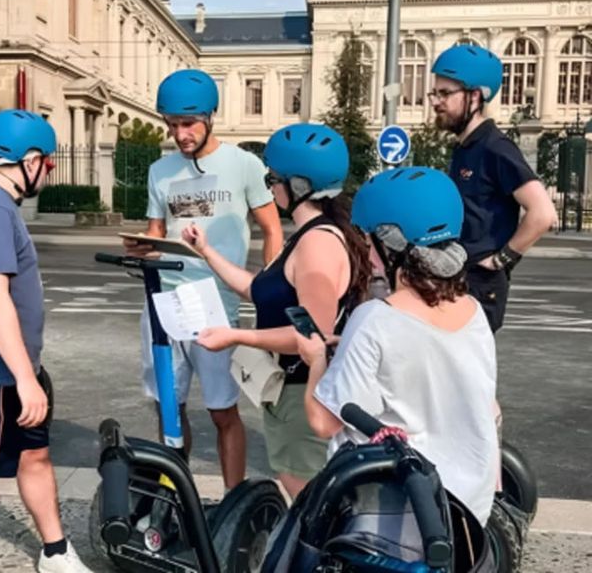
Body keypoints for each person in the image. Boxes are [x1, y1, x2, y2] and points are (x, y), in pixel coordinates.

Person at [300, 166, 498, 525]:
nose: (368, 253)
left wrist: (316, 360)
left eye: (368, 240)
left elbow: (324, 422)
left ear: (389, 244)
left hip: (397, 512)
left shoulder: (374, 318)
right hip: (467, 510)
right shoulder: (473, 312)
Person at [183, 123, 370, 498]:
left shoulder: (317, 242)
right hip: (292, 390)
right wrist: (207, 251)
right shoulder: (309, 234)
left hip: (304, 394)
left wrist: (236, 336)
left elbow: (310, 335)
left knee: (310, 498)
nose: (269, 187)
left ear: (298, 186)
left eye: (273, 178)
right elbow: (259, 289)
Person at [0, 109, 91, 573]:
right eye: (46, 165)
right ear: (28, 160)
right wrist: (25, 379)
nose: (47, 174)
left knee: (35, 455)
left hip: (15, 367)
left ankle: (55, 552)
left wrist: (29, 373)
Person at [123, 69, 283, 491]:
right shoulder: (161, 170)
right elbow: (157, 231)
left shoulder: (244, 164)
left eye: (188, 123)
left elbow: (272, 230)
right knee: (167, 408)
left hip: (214, 302)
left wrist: (268, 290)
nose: (180, 134)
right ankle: (176, 494)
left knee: (221, 412)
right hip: (163, 299)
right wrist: (143, 245)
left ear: (210, 116)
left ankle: (234, 501)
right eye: (172, 124)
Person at [430, 45, 556, 332]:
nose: (436, 101)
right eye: (435, 93)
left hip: (479, 285)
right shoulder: (466, 147)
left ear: (475, 96)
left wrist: (501, 260)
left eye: (445, 93)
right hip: (459, 278)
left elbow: (543, 213)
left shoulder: (495, 148)